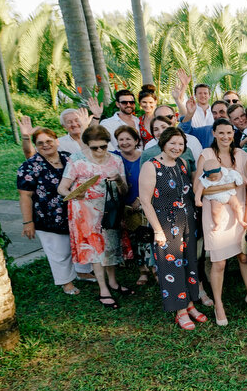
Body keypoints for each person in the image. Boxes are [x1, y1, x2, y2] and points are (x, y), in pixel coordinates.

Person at [138, 127, 207, 329]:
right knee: (172, 267)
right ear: (163, 143)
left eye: (180, 144)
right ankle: (180, 310)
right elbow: (145, 201)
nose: (177, 147)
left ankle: (191, 303)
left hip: (188, 222)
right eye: (173, 143)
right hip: (166, 225)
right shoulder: (151, 166)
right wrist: (158, 230)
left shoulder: (183, 164)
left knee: (190, 264)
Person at [197, 119, 247, 325]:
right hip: (214, 214)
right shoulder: (206, 155)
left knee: (243, 257)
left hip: (238, 210)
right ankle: (219, 304)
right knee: (219, 263)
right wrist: (227, 185)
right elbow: (200, 185)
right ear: (214, 133)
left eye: (229, 133)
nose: (225, 137)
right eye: (221, 133)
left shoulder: (241, 155)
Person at [57, 125, 126, 309]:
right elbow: (62, 188)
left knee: (111, 246)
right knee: (96, 250)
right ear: (87, 145)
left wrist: (118, 180)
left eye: (103, 146)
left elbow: (124, 190)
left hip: (109, 209)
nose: (100, 151)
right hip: (85, 210)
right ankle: (103, 289)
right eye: (95, 147)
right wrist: (74, 193)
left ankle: (112, 281)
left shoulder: (116, 160)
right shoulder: (76, 160)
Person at [16, 122, 78, 295]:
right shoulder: (30, 166)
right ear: (36, 146)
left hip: (74, 213)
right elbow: (25, 195)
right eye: (41, 143)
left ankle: (83, 272)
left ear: (57, 141)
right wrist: (28, 222)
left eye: (49, 141)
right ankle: (67, 283)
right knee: (59, 251)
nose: (46, 145)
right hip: (47, 216)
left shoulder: (69, 158)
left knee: (75, 245)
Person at [111, 125, 153, 287]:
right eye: (121, 139)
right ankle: (142, 270)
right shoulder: (115, 158)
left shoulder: (145, 157)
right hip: (124, 206)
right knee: (134, 239)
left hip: (144, 202)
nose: (124, 142)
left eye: (128, 138)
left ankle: (154, 268)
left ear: (136, 141)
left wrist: (140, 199)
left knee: (148, 236)